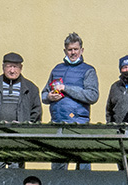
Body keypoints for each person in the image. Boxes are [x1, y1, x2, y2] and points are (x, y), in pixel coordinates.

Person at [41, 32, 100, 170]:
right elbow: (44, 94)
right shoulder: (57, 69)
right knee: (58, 168)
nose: (73, 52)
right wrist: (49, 97)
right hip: (57, 123)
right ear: (65, 51)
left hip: (78, 124)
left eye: (76, 49)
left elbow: (92, 95)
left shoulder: (88, 70)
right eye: (70, 49)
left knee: (82, 166)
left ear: (82, 50)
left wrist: (66, 88)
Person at [0, 52, 42, 168]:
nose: (12, 70)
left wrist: (27, 130)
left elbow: (36, 113)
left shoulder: (31, 88)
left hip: (19, 138)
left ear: (21, 68)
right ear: (3, 67)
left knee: (16, 173)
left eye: (15, 67)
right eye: (9, 66)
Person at [106, 55, 128, 124]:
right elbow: (109, 109)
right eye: (124, 67)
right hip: (118, 126)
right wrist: (110, 123)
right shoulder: (115, 86)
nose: (127, 70)